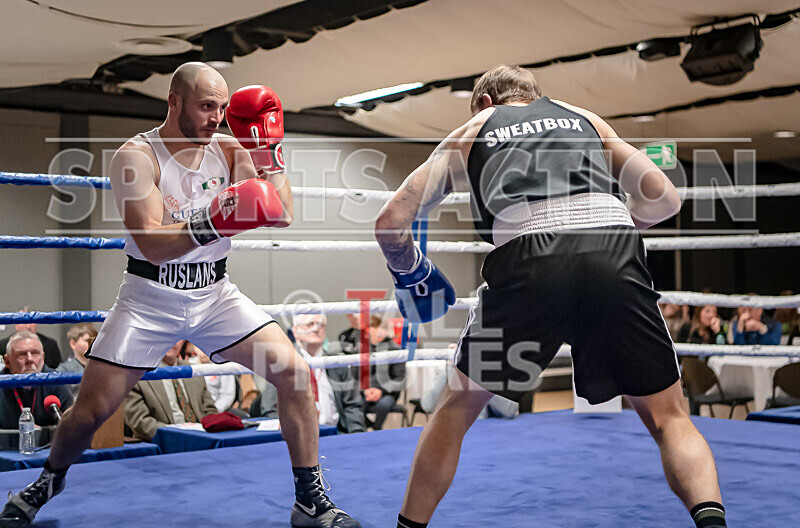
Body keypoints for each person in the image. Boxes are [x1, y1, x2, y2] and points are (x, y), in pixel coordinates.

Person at [0, 63, 360, 528]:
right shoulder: (137, 156)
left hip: (215, 294)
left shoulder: (229, 150)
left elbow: (282, 211)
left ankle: (309, 501)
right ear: (174, 102)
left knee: (293, 373)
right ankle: (49, 477)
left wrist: (269, 155)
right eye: (207, 106)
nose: (217, 118)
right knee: (90, 412)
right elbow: (149, 239)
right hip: (149, 297)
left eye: (224, 108)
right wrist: (212, 221)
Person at [375, 65, 727, 528]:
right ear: (537, 96)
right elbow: (665, 199)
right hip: (613, 251)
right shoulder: (583, 116)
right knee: (669, 416)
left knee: (456, 408)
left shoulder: (476, 127)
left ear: (485, 102)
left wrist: (411, 269)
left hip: (529, 257)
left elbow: (390, 221)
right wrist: (608, 232)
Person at [253, 314, 366, 434]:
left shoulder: (336, 363)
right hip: (296, 437)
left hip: (336, 434)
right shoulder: (281, 364)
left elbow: (352, 405)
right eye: (310, 324)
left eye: (320, 325)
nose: (316, 329)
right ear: (295, 331)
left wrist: (357, 436)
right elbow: (270, 409)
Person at [124, 340, 219, 441]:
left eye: (178, 337)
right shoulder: (136, 374)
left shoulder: (193, 370)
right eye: (168, 335)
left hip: (203, 439)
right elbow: (140, 423)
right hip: (163, 443)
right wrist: (178, 435)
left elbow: (211, 412)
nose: (173, 342)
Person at [0, 332, 74, 430]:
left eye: (35, 353)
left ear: (43, 358)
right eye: (22, 354)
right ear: (7, 361)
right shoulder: (2, 382)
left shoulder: (56, 380)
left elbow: (72, 427)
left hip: (49, 444)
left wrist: (41, 433)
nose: (30, 359)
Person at [361, 316, 405, 430]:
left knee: (383, 405)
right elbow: (356, 375)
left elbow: (399, 378)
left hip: (387, 393)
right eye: (374, 327)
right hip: (366, 392)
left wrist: (381, 391)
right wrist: (365, 390)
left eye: (382, 328)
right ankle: (369, 429)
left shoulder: (395, 350)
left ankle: (376, 430)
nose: (379, 331)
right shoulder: (362, 349)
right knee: (353, 405)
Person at [55, 323, 98, 399]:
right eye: (86, 340)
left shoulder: (101, 367)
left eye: (94, 340)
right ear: (73, 344)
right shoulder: (64, 370)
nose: (92, 344)